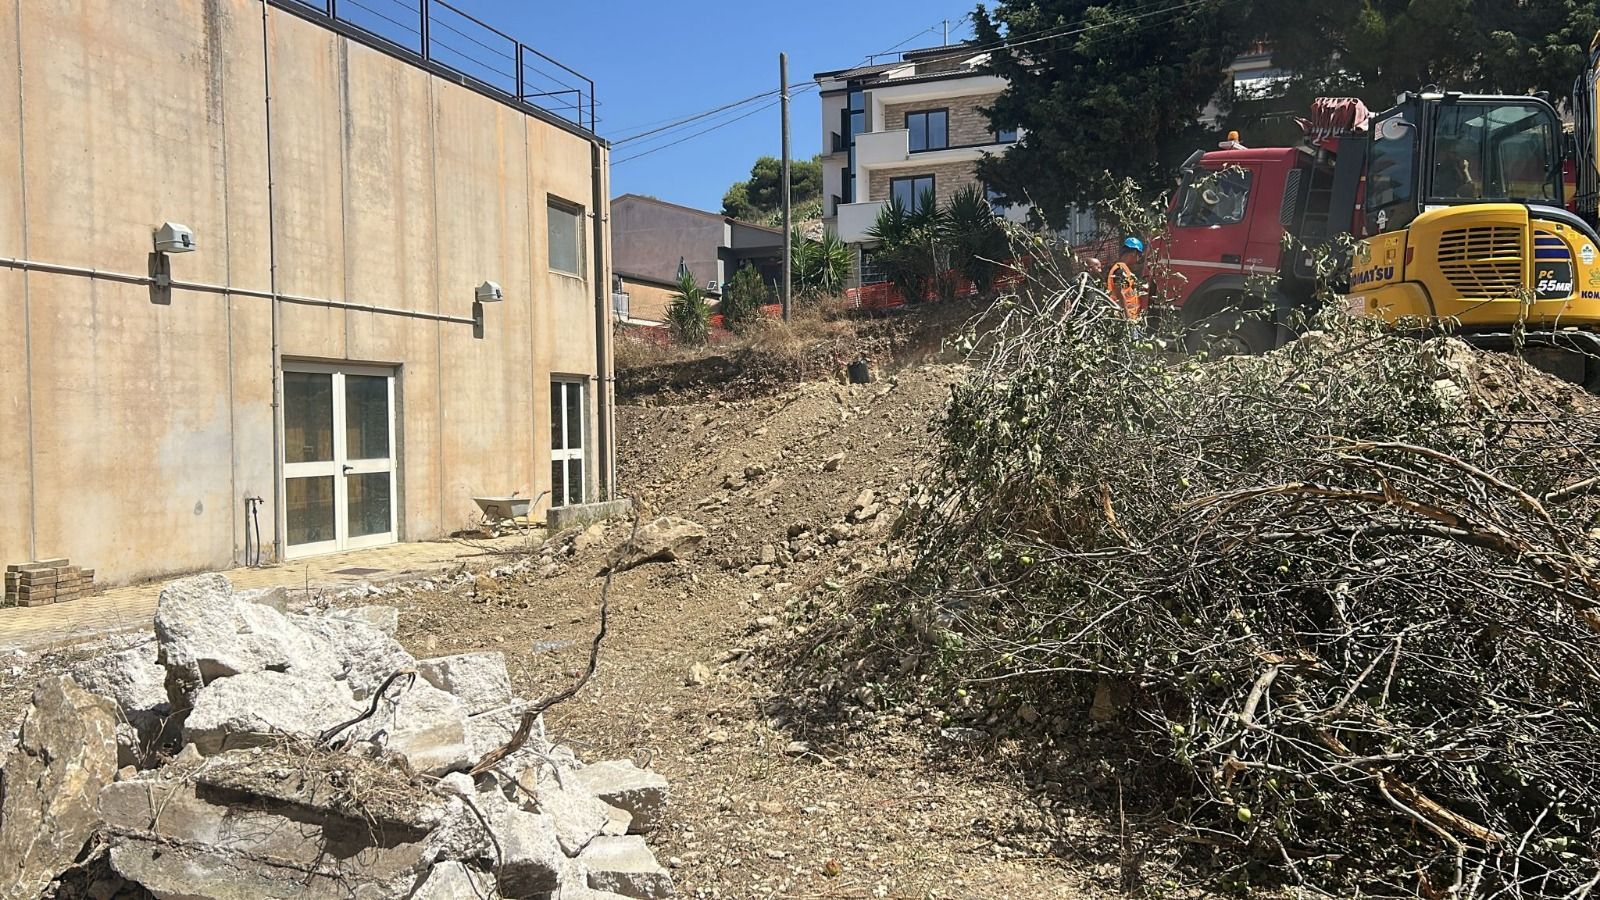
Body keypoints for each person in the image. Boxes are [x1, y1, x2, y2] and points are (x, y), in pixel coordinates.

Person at [1106, 237, 1147, 320]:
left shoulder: (1125, 269)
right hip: (1123, 316)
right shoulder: (1119, 269)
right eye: (1139, 255)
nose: (1138, 259)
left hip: (1130, 315)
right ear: (1134, 253)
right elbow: (1119, 292)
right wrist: (1127, 315)